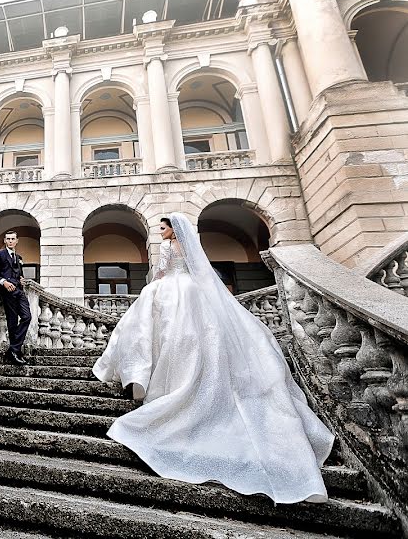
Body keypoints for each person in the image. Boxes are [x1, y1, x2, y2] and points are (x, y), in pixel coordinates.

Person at [92, 213, 334, 504]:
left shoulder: (168, 248)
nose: (159, 231)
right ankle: (150, 374)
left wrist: (154, 281)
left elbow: (161, 272)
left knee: (153, 328)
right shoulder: (191, 248)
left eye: (163, 227)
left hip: (169, 290)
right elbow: (200, 273)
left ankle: (139, 373)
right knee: (194, 335)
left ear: (172, 230)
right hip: (193, 292)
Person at [0, 229, 32, 365]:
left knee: (27, 317)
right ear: (4, 241)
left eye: (13, 239)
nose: (10, 241)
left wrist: (21, 280)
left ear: (17, 241)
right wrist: (4, 282)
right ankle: (15, 352)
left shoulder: (19, 258)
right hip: (7, 292)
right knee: (12, 322)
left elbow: (19, 274)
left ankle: (13, 348)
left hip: (19, 291)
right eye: (8, 239)